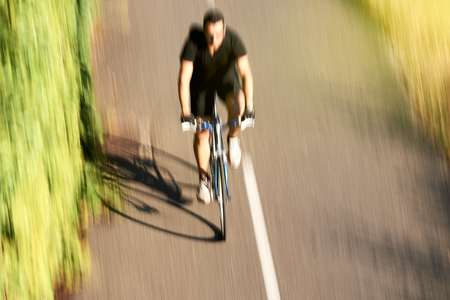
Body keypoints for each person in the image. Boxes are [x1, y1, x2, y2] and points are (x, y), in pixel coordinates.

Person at [178, 9, 254, 204]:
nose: (214, 40)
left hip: (225, 80)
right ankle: (204, 181)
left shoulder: (233, 40)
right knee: (202, 132)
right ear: (203, 31)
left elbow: (245, 73)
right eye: (210, 35)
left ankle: (233, 139)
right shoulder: (193, 44)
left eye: (218, 35)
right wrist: (186, 113)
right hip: (201, 86)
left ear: (225, 29)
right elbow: (184, 78)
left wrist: (249, 108)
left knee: (238, 105)